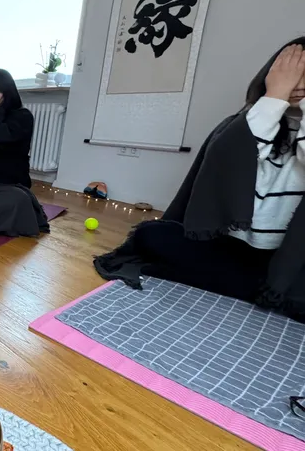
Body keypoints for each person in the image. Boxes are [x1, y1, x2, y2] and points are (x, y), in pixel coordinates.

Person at [94, 39, 305, 322]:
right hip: (232, 248)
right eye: (291, 71)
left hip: (287, 262)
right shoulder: (248, 120)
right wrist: (276, 97)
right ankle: (253, 289)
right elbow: (230, 158)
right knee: (150, 235)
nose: (297, 82)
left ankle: (261, 289)